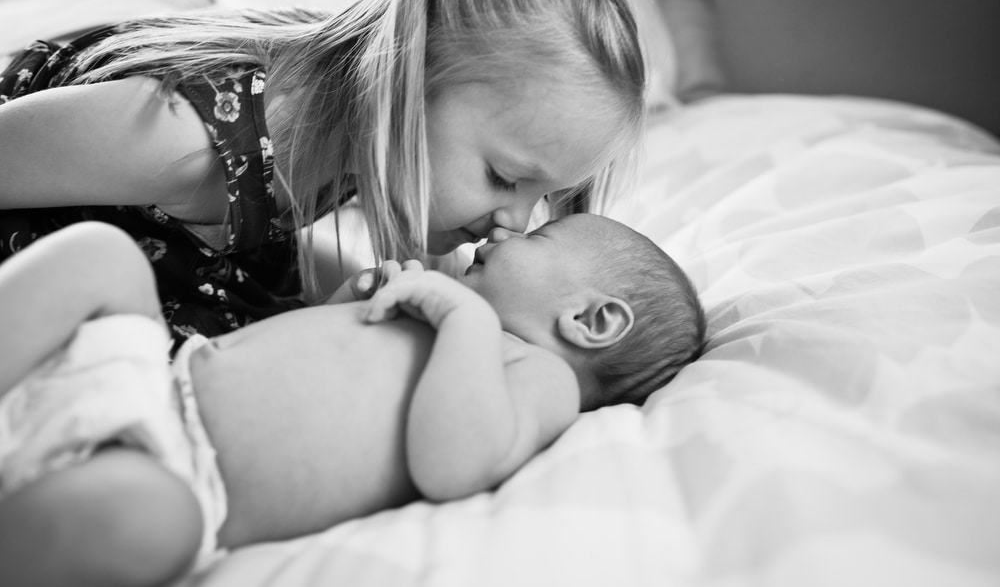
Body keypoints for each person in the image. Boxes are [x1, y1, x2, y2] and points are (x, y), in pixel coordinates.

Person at [0, 0, 646, 352]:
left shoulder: (349, 139)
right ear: (403, 84)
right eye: (504, 178)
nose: (515, 222)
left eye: (542, 198)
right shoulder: (179, 138)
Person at [0, 215, 705, 587]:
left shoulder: (539, 376)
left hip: (182, 473)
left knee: (151, 523)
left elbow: (455, 464)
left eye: (539, 236)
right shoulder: (451, 320)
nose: (503, 231)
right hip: (156, 379)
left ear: (593, 321)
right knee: (103, 254)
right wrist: (346, 309)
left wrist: (465, 319)